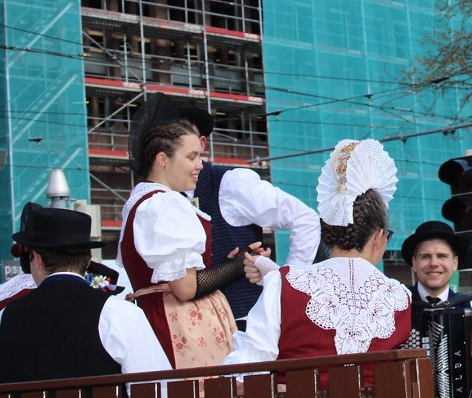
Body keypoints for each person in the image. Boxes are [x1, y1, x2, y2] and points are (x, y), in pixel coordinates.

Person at [224, 139, 411, 382]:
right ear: (378, 236)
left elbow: (247, 367)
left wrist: (278, 279)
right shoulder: (400, 297)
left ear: (326, 232)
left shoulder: (284, 284)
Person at [143, 95, 321, 325]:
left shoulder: (231, 183)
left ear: (202, 144)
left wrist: (286, 287)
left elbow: (304, 219)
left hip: (242, 323)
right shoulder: (156, 200)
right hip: (183, 327)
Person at [119, 101, 250, 368]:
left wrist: (225, 265)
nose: (200, 165)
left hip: (157, 316)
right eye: (191, 157)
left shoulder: (142, 200)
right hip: (179, 325)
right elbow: (185, 288)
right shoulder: (164, 204)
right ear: (163, 160)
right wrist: (235, 267)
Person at [0, 203, 169, 381]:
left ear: (37, 259)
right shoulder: (119, 315)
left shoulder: (1, 320)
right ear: (88, 260)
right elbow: (157, 387)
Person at [401, 221, 472, 330]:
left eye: (442, 256)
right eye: (425, 256)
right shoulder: (396, 307)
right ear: (414, 263)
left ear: (454, 263)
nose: (433, 263)